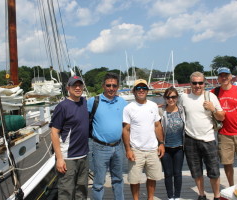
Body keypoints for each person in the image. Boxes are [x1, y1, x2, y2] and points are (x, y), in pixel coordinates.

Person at [180, 72, 225, 200]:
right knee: (196, 171)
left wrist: (213, 109)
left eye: (200, 83)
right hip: (190, 139)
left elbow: (222, 117)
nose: (198, 85)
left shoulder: (211, 97)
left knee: (214, 171)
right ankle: (201, 195)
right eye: (194, 83)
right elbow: (173, 107)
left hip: (208, 139)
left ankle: (216, 196)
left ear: (204, 83)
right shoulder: (184, 97)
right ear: (190, 84)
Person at [122, 79, 165, 200]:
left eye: (144, 88)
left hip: (152, 149)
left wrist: (161, 143)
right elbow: (126, 130)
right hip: (136, 149)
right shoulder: (128, 108)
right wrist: (128, 149)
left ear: (147, 90)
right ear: (134, 91)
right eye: (138, 88)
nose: (141, 90)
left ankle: (150, 198)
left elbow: (157, 125)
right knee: (134, 179)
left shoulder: (153, 106)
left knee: (152, 177)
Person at [87, 72, 127, 200]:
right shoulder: (93, 101)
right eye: (108, 85)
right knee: (99, 182)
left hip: (118, 146)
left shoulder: (122, 102)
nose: (111, 88)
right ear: (103, 85)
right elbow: (79, 118)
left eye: (114, 86)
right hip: (100, 147)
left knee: (118, 179)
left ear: (118, 87)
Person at [50, 76, 89, 200]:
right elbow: (54, 132)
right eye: (74, 85)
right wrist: (59, 158)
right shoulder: (62, 106)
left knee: (81, 191)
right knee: (66, 192)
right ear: (68, 88)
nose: (77, 88)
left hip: (83, 156)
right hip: (68, 158)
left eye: (80, 85)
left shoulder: (84, 102)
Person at [160, 87, 185, 200]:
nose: (171, 99)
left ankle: (178, 196)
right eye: (168, 97)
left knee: (177, 173)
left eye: (173, 97)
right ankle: (170, 196)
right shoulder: (161, 111)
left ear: (177, 98)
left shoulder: (182, 110)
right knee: (168, 173)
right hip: (165, 148)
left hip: (179, 147)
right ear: (165, 98)